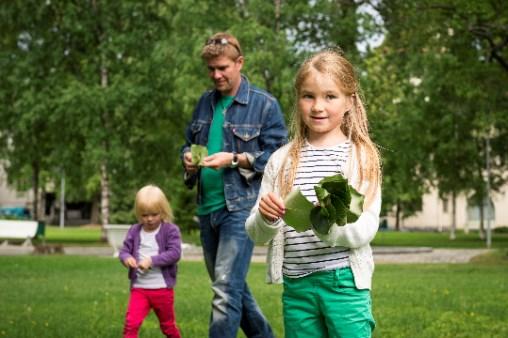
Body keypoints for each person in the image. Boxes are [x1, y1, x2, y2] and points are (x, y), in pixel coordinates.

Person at [245, 49, 382, 338]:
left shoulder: (360, 158)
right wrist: (266, 220)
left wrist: (330, 222)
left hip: (344, 282)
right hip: (297, 285)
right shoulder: (281, 161)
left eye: (330, 96)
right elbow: (256, 233)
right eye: (309, 96)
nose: (318, 106)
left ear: (349, 102)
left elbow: (366, 228)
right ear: (298, 100)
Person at [181, 32, 287, 338]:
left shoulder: (265, 105)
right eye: (211, 69)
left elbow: (279, 159)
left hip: (240, 210)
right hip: (207, 208)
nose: (216, 74)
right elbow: (187, 143)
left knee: (226, 290)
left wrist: (236, 158)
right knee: (233, 289)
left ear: (239, 63)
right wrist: (187, 157)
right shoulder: (204, 103)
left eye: (223, 67)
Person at [119, 185, 182, 338]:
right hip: (139, 289)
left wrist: (151, 261)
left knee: (168, 326)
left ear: (163, 211)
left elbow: (175, 253)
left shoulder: (170, 230)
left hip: (162, 290)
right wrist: (127, 258)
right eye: (144, 215)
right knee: (131, 325)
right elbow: (124, 251)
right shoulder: (134, 230)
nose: (149, 219)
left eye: (154, 214)